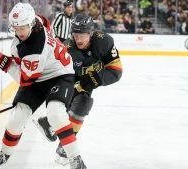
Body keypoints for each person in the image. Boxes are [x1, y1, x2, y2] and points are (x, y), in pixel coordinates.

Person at [0, 2, 87, 169]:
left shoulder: (35, 48)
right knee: (17, 117)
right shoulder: (37, 21)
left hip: (59, 75)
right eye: (16, 27)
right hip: (39, 73)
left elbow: (26, 80)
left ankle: (76, 159)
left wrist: (5, 64)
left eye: (23, 27)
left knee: (56, 114)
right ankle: (4, 153)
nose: (19, 32)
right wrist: (14, 61)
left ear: (31, 23)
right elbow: (45, 23)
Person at [34, 13, 123, 164]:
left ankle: (48, 123)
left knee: (82, 102)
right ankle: (63, 145)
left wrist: (96, 79)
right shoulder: (67, 49)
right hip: (69, 78)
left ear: (91, 33)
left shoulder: (104, 41)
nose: (78, 39)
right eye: (75, 34)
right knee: (82, 103)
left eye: (82, 35)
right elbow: (57, 75)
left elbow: (116, 71)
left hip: (89, 80)